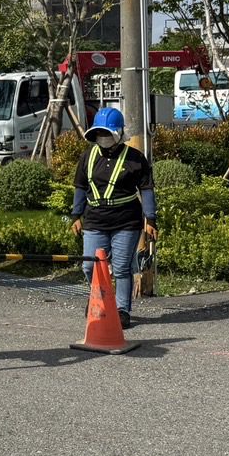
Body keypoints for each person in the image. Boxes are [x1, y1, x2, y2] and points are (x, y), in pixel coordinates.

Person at [70, 106, 158, 329]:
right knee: (90, 266)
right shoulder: (88, 157)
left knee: (120, 268)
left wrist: (151, 219)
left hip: (126, 222)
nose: (103, 138)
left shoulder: (136, 159)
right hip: (94, 220)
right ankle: (98, 300)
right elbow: (80, 187)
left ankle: (122, 310)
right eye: (99, 134)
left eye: (107, 134)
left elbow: (146, 190)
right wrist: (76, 215)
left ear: (118, 134)